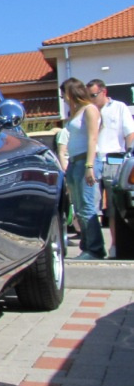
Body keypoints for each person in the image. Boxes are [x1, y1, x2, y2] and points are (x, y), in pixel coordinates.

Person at [86, 78, 134, 249]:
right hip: (93, 160)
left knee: (114, 206)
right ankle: (95, 247)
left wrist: (129, 154)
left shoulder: (119, 107)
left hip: (114, 160)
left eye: (93, 95)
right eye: (88, 96)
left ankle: (115, 244)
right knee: (92, 207)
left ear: (104, 92)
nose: (91, 99)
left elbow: (130, 133)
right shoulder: (88, 111)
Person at [61, 78, 106, 260]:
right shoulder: (76, 112)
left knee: (87, 207)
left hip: (85, 162)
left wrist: (89, 166)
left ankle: (95, 249)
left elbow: (92, 139)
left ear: (71, 92)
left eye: (64, 93)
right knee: (79, 208)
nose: (63, 97)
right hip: (74, 163)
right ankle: (87, 246)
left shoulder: (90, 110)